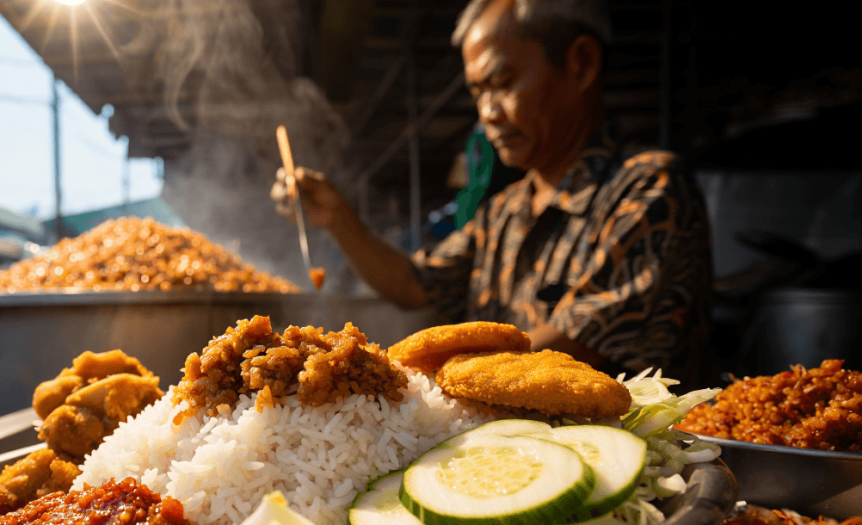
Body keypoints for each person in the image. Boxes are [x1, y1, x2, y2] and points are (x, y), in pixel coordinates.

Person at [272, 0, 713, 388]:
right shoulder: (504, 211)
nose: (487, 114)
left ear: (580, 64)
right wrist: (337, 218)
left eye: (502, 83)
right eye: (478, 92)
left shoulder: (648, 189)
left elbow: (578, 340)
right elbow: (414, 285)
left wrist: (410, 382)